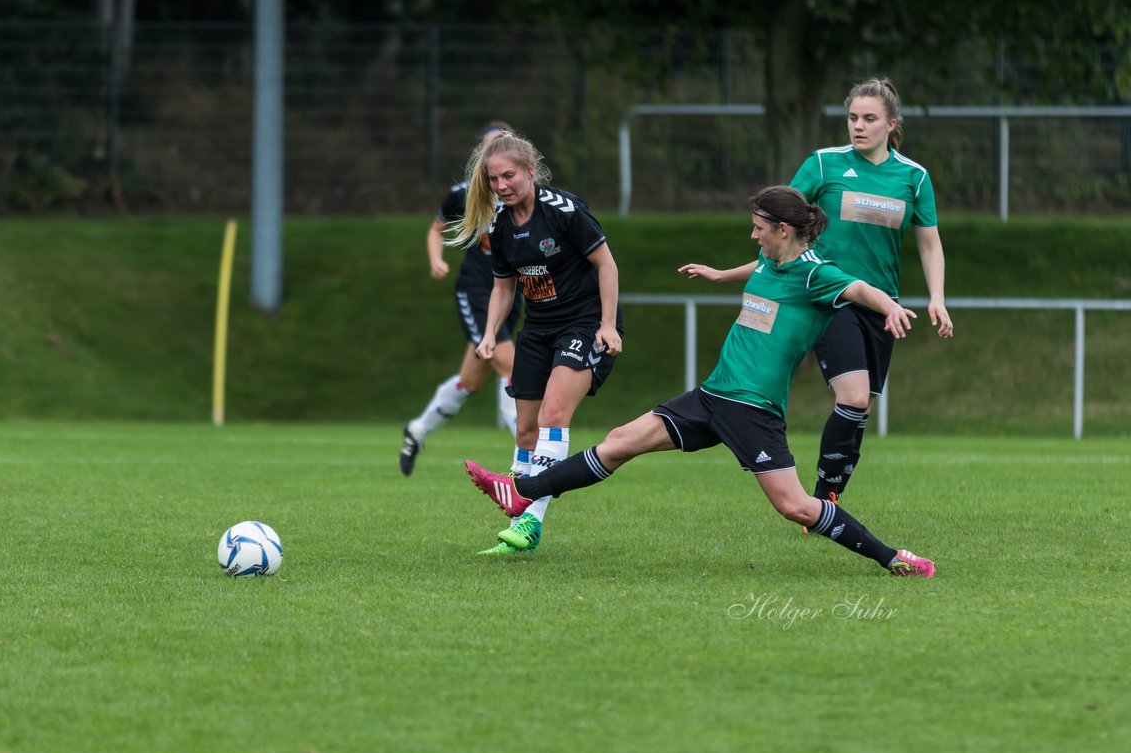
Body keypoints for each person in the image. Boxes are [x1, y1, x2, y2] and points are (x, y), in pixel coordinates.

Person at [465, 186, 936, 577]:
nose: (753, 234)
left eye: (758, 227)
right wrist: (719, 274)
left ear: (784, 230)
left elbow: (857, 288)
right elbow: (761, 267)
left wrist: (890, 307)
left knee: (796, 507)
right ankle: (521, 492)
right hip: (712, 396)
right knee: (619, 441)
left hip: (753, 408)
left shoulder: (816, 275)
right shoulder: (772, 261)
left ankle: (892, 557)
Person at [696, 78, 954, 507]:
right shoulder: (822, 165)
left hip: (880, 303)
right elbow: (781, 225)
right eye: (853, 117)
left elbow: (929, 242)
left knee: (861, 408)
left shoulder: (913, 177)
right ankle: (818, 503)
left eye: (869, 119)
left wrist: (937, 298)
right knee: (852, 395)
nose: (858, 126)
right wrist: (731, 274)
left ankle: (827, 496)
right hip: (829, 296)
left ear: (891, 123)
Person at [448, 130, 623, 556]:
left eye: (508, 176)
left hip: (583, 324)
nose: (501, 186)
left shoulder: (563, 210)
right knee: (525, 428)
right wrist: (490, 334)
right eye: (493, 180)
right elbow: (504, 288)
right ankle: (519, 512)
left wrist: (608, 325)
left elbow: (607, 265)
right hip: (538, 329)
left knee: (553, 414)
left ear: (530, 171)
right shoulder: (499, 226)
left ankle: (530, 520)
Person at [400, 121, 523, 477]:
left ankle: (417, 431)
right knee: (511, 367)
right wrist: (436, 258)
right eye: (491, 148)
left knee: (471, 381)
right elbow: (436, 229)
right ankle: (528, 459)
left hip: (510, 294)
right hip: (477, 291)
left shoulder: (528, 194)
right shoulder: (466, 194)